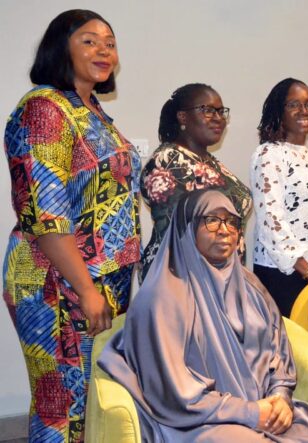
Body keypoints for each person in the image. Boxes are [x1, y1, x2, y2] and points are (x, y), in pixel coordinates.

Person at [2, 10, 140, 442]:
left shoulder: (90, 110)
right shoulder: (44, 109)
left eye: (110, 43)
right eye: (89, 41)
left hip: (95, 281)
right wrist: (85, 288)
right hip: (56, 281)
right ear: (61, 48)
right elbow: (45, 213)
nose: (104, 51)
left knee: (88, 401)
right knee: (60, 406)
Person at [98, 190, 308, 442]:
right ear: (187, 227)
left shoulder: (250, 285)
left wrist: (281, 398)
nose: (224, 230)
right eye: (212, 220)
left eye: (231, 221)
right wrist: (251, 413)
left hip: (262, 406)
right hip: (196, 420)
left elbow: (279, 351)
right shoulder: (162, 297)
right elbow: (174, 392)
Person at [140, 83, 251, 279]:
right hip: (182, 282)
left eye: (220, 111)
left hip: (222, 281)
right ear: (183, 117)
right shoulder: (166, 162)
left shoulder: (210, 162)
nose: (218, 118)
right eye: (207, 110)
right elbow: (182, 236)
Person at [251, 78, 308, 317]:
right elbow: (270, 220)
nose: (304, 111)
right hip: (282, 272)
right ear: (279, 111)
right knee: (285, 348)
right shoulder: (269, 153)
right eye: (294, 105)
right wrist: (307, 271)